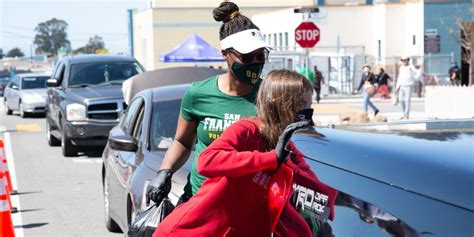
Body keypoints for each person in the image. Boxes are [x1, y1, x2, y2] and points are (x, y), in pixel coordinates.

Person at [153, 69, 335, 236]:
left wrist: (342, 200)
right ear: (283, 104)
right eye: (303, 105)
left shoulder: (287, 147)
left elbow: (312, 182)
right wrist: (270, 158)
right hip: (191, 232)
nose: (307, 115)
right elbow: (206, 161)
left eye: (310, 107)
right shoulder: (248, 129)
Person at [146, 1, 272, 207]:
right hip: (201, 201)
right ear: (225, 54)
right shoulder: (197, 94)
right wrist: (165, 171)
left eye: (261, 55)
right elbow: (183, 142)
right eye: (247, 57)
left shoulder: (269, 96)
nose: (256, 62)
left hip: (248, 208)